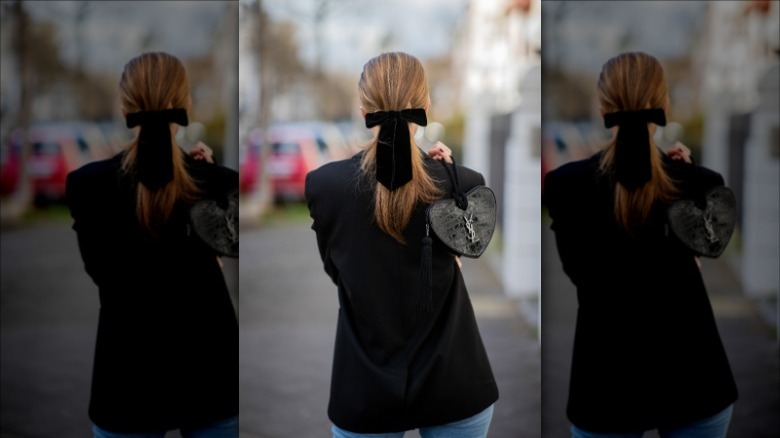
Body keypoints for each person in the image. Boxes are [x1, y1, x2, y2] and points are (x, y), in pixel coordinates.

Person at [544, 51, 738, 438]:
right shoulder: (700, 182)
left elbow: (580, 273)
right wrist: (684, 177)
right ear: (664, 105)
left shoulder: (566, 185)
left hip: (605, 382)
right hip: (695, 375)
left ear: (603, 108)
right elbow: (698, 249)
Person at [305, 52, 499, 437]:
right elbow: (467, 245)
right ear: (426, 107)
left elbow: (337, 271)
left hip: (363, 388)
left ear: (364, 109)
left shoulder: (324, 187)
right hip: (456, 381)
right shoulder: (462, 180)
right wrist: (451, 177)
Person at [66, 52, 238, 438]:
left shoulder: (87, 185)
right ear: (186, 105)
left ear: (125, 106)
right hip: (210, 370)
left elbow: (103, 275)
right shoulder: (219, 184)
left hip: (127, 375)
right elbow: (224, 255)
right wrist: (208, 178)